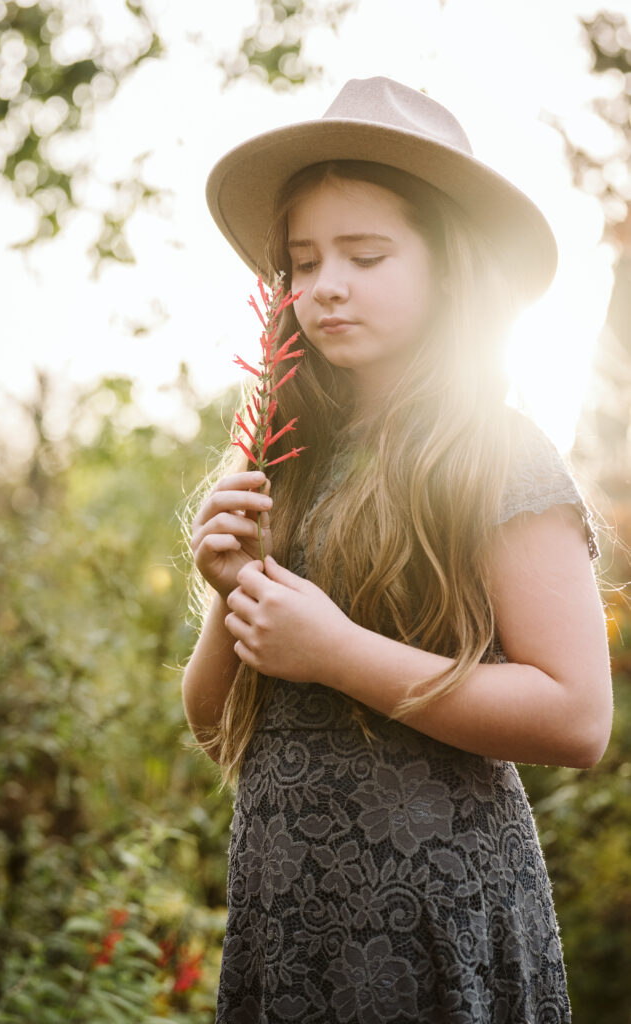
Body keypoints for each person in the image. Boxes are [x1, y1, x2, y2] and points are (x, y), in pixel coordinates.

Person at [183, 77, 612, 1024]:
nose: (324, 284)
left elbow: (576, 716)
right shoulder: (284, 456)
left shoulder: (494, 452)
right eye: (302, 261)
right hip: (292, 913)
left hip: (433, 915)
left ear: (449, 266)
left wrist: (336, 652)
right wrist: (230, 590)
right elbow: (217, 724)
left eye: (367, 254)